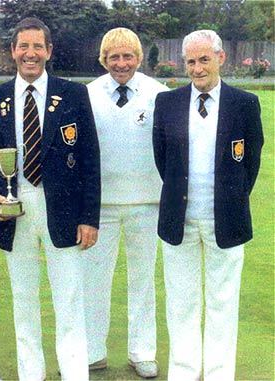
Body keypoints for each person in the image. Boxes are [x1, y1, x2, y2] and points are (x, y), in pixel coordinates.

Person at [0, 17, 101, 381]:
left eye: (37, 47)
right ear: (13, 51)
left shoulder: (74, 94)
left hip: (62, 209)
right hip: (16, 208)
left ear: (49, 51)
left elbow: (90, 159)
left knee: (69, 301)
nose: (30, 54)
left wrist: (89, 217)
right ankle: (32, 374)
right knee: (24, 302)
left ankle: (75, 374)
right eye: (23, 46)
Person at [152, 30, 264, 381]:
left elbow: (251, 163)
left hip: (225, 220)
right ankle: (184, 372)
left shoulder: (244, 103)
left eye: (204, 60)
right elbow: (162, 159)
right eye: (191, 61)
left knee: (222, 303)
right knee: (181, 303)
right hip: (179, 219)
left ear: (220, 59)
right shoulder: (167, 103)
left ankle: (218, 374)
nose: (197, 68)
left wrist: (228, 200)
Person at [85, 27, 168, 379]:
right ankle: (91, 352)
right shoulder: (86, 94)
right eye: (114, 57)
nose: (121, 63)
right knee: (94, 281)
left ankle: (142, 352)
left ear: (139, 58)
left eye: (128, 56)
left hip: (147, 204)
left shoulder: (159, 94)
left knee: (143, 280)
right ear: (104, 59)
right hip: (100, 207)